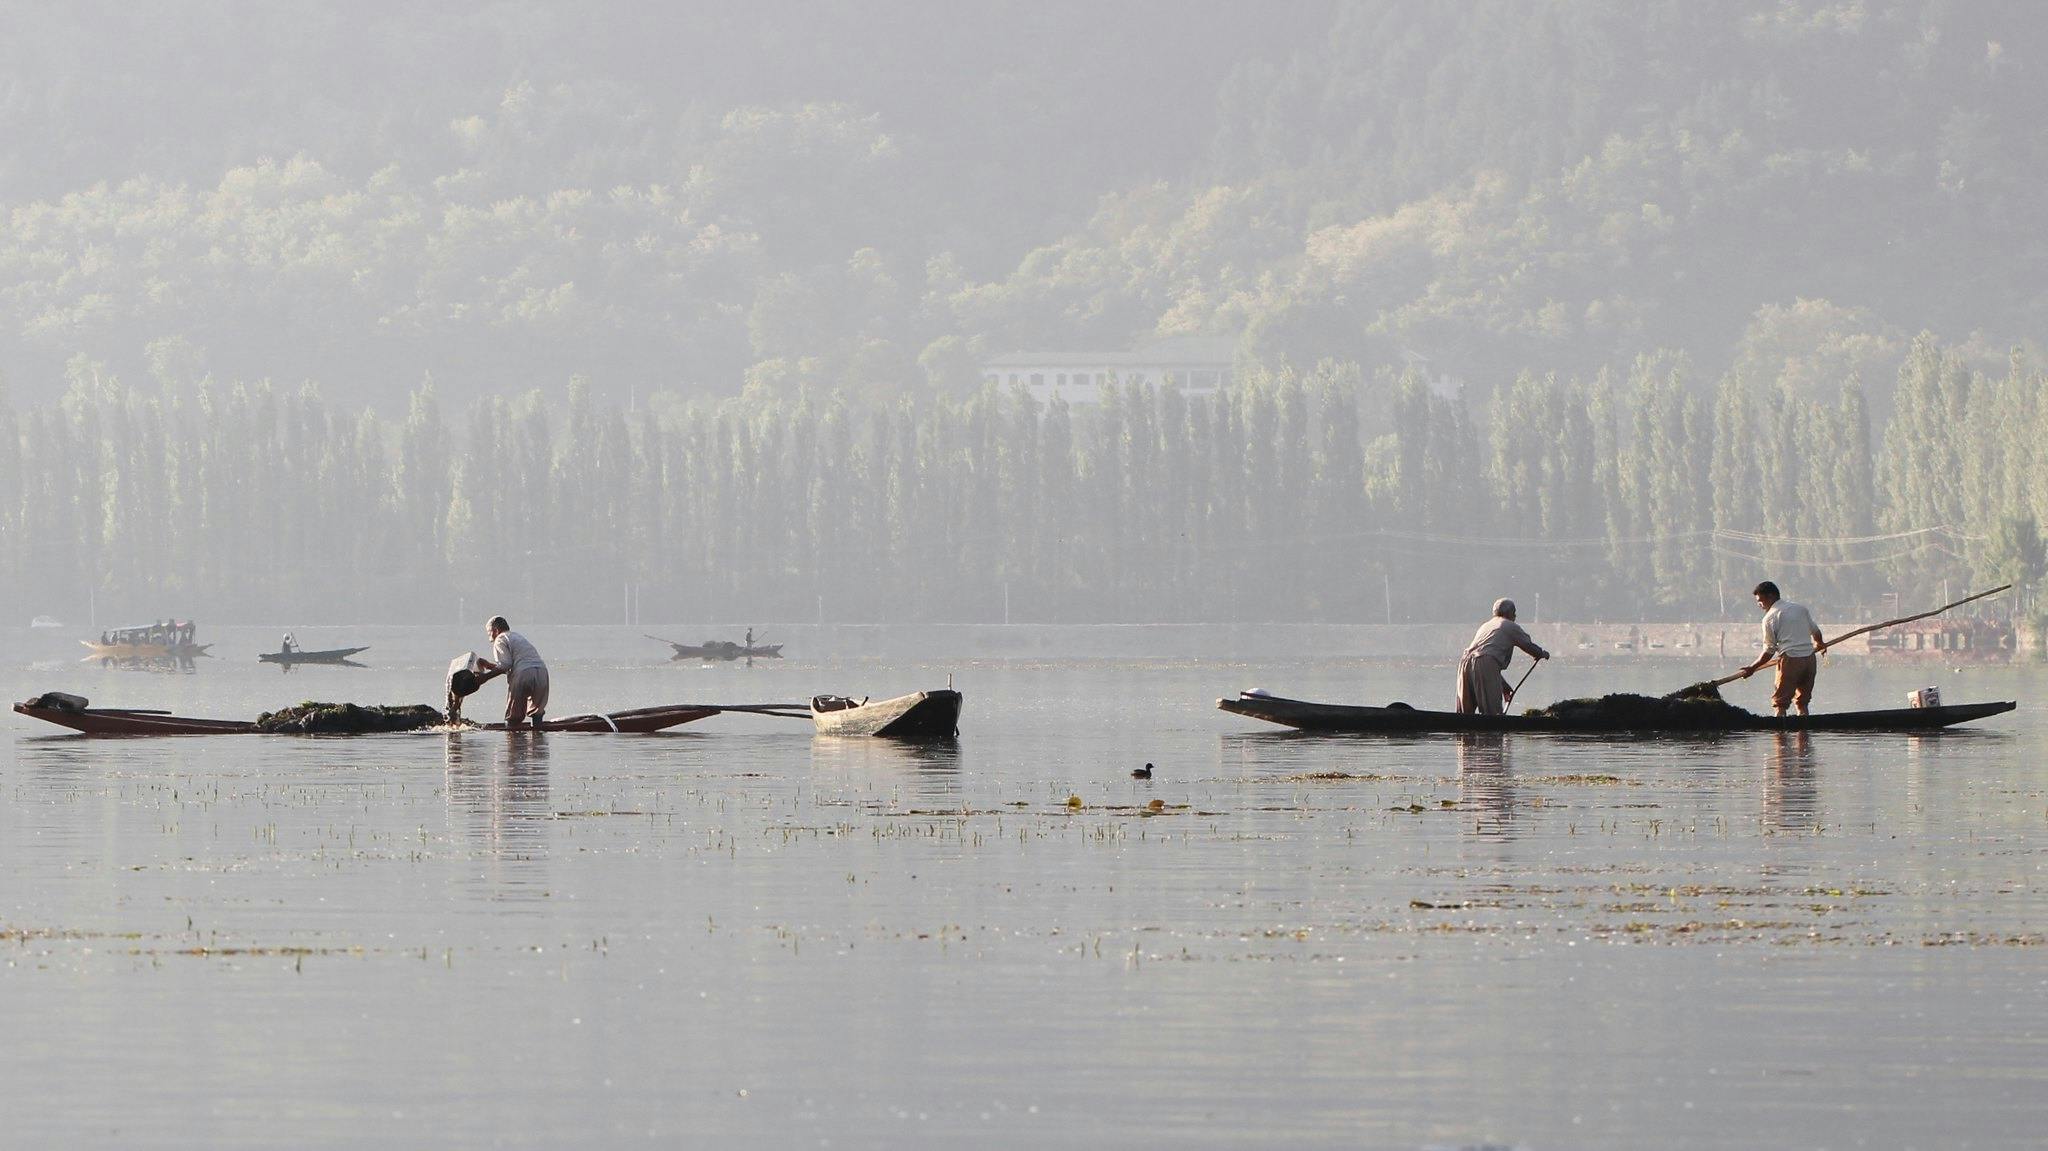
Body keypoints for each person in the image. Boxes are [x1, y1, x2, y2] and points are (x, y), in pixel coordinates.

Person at [1738, 581, 1826, 717]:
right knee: (1802, 702)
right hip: (1809, 660)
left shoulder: (1769, 618)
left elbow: (1769, 651)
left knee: (1780, 703)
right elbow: (1815, 631)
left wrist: (1752, 668)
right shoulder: (1800, 609)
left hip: (1790, 660)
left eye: (1760, 600)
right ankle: (1804, 733)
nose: (1759, 605)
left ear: (1771, 596)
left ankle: (1779, 734)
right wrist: (1819, 644)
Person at [1455, 598, 1550, 715]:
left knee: (1465, 714)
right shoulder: (1509, 625)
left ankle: (1464, 732)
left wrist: (1503, 686)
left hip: (1464, 663)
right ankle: (1493, 731)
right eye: (1514, 613)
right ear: (1509, 613)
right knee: (1492, 713)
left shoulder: (1486, 625)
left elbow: (1480, 659)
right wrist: (1541, 653)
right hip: (1484, 661)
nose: (1515, 616)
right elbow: (1527, 645)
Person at [474, 616, 550, 729]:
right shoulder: (517, 637)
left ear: (495, 630)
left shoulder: (500, 639)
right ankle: (537, 735)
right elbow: (515, 666)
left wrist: (484, 678)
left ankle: (513, 739)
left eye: (489, 632)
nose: (490, 637)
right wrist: (489, 666)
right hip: (542, 673)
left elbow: (506, 665)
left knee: (513, 717)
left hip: (523, 675)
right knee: (537, 712)